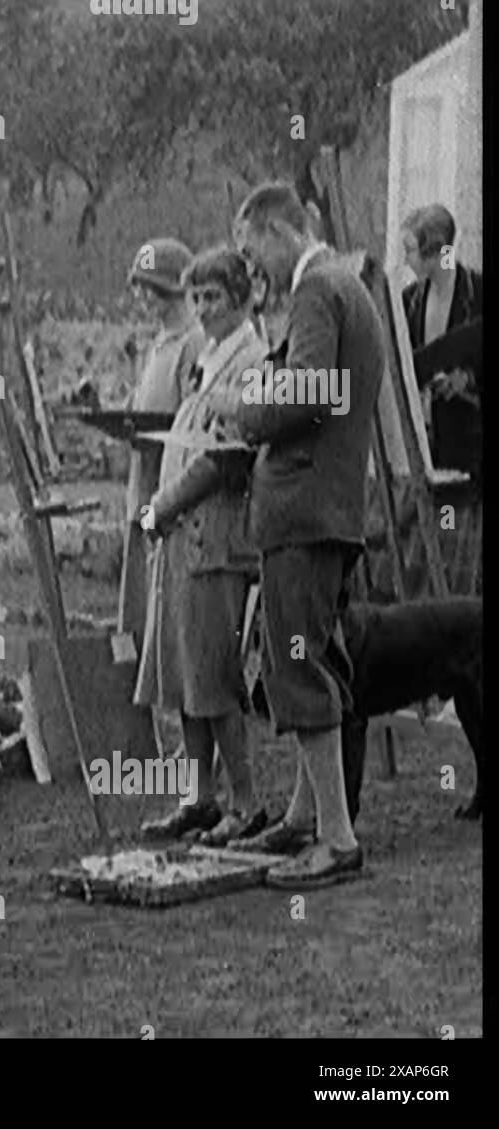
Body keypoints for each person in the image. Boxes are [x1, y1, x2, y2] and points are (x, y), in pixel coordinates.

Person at [228, 182, 384, 888]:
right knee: (321, 654)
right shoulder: (348, 286)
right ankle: (303, 816)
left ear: (275, 229)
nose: (248, 268)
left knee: (297, 664)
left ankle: (337, 838)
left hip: (303, 511)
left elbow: (308, 392)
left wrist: (244, 408)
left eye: (249, 249)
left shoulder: (318, 289)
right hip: (334, 508)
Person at [134, 247, 268, 846]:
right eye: (199, 298)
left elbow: (225, 456)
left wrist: (163, 507)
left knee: (214, 673)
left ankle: (244, 802)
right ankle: (200, 797)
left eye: (215, 297)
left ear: (242, 298)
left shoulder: (252, 360)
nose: (205, 308)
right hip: (183, 539)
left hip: (214, 535)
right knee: (185, 675)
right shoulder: (208, 357)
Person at [118, 238, 203, 640]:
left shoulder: (194, 343)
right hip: (141, 487)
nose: (143, 297)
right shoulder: (157, 344)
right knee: (137, 602)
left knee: (163, 601)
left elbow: (193, 420)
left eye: (150, 288)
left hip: (168, 492)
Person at [400, 203, 483, 479]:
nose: (405, 260)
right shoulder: (409, 301)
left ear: (433, 252)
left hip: (467, 444)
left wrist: (468, 380)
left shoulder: (478, 294)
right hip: (423, 445)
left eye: (410, 250)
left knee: (455, 519)